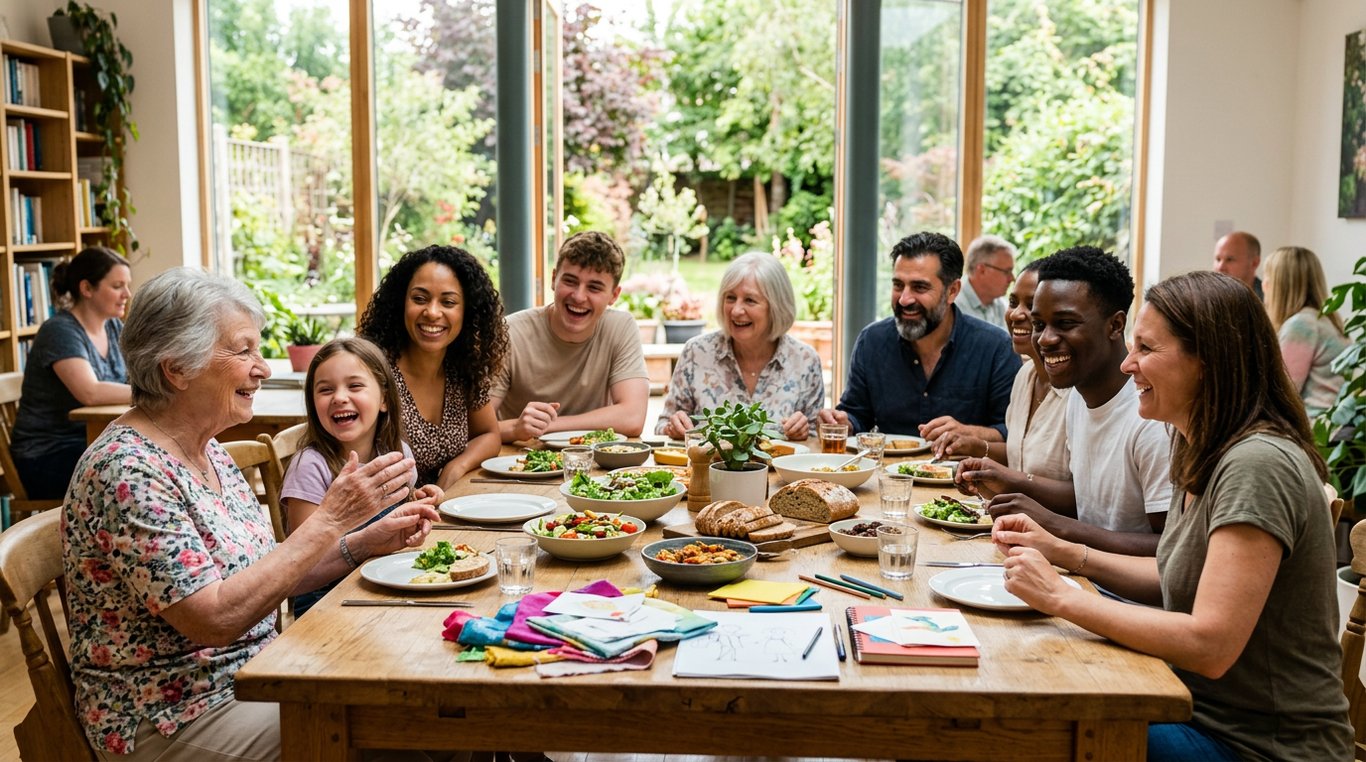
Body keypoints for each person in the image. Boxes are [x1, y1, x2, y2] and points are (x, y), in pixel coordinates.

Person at [63, 268, 439, 760]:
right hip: (175, 713)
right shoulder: (127, 470)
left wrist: (364, 542)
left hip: (257, 670)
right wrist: (330, 520)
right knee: (406, 731)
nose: (261, 367)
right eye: (243, 351)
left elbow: (266, 576)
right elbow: (215, 619)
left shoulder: (205, 450)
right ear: (177, 369)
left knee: (433, 710)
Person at [992, 270, 1353, 761]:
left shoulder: (1257, 464)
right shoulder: (1200, 444)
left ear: (1208, 361)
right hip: (1189, 707)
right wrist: (1064, 553)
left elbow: (1210, 643)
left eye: (1146, 348)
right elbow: (1173, 571)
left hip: (1255, 747)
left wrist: (1061, 597)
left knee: (1021, 728)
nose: (1127, 364)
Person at [958, 247, 1171, 555]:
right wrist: (1015, 488)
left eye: (1065, 323)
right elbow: (1088, 500)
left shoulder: (1151, 418)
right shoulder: (1078, 396)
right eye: (1040, 324)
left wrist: (1055, 525)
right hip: (1070, 576)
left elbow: (1168, 552)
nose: (1044, 339)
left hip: (1115, 598)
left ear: (1115, 325)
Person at [282, 337, 444, 617]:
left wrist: (422, 498)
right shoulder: (309, 466)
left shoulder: (396, 452)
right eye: (325, 389)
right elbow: (301, 564)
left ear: (383, 399)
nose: (339, 397)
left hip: (386, 583)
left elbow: (401, 508)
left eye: (355, 386)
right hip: (325, 604)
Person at [818, 231, 1019, 436]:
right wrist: (843, 422)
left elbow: (1012, 431)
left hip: (962, 467)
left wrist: (967, 433)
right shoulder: (872, 341)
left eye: (919, 287)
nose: (904, 299)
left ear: (952, 291)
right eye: (898, 285)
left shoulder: (996, 347)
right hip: (887, 467)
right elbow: (856, 414)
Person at [358, 245, 508, 488]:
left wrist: (455, 467)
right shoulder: (373, 370)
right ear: (400, 303)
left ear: (467, 312)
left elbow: (489, 435)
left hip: (440, 507)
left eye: (448, 302)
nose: (432, 312)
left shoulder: (463, 368)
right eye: (420, 299)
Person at [491, 231, 649, 442]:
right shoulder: (509, 332)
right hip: (517, 461)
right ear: (554, 278)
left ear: (614, 295)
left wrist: (550, 426)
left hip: (591, 461)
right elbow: (474, 428)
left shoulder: (620, 327)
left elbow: (632, 417)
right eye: (570, 281)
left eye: (594, 287)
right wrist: (516, 428)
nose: (578, 296)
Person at [656, 252, 824, 440]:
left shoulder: (805, 361)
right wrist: (673, 427)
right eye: (730, 298)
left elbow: (815, 441)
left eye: (750, 300)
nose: (736, 310)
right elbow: (663, 426)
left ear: (776, 306)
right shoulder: (697, 352)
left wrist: (803, 433)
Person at [931, 260, 1070, 483]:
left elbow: (1084, 498)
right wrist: (976, 446)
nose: (1016, 314)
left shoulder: (1079, 391)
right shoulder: (1025, 375)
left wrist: (1009, 483)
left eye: (1032, 305)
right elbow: (1021, 455)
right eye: (1013, 302)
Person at [10, 247, 132, 499]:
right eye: (117, 286)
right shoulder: (59, 331)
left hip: (89, 444)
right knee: (131, 471)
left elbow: (133, 376)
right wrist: (154, 394)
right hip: (46, 456)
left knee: (150, 460)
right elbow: (90, 392)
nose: (127, 294)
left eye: (127, 286)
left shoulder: (113, 328)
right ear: (86, 288)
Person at [1262, 245, 1349, 418]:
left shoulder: (1301, 326)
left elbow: (1282, 394)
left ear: (1280, 285)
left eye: (1267, 277)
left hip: (1317, 427)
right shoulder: (1324, 320)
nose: (1263, 284)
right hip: (1335, 424)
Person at [958, 234, 1015, 330]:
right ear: (982, 270)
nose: (1012, 278)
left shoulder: (1001, 305)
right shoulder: (953, 306)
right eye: (1006, 272)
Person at [1213, 230, 1263, 299]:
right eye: (1218, 259)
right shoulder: (1205, 299)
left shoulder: (1272, 300)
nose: (1220, 267)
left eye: (1229, 259)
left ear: (1254, 263)